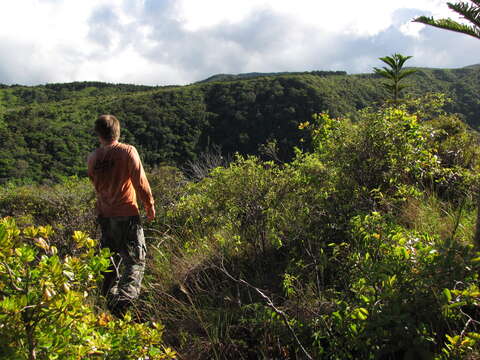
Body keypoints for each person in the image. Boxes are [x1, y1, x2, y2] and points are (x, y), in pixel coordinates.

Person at [87, 114, 155, 316]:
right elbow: (140, 181)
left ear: (99, 134)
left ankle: (108, 302)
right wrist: (149, 205)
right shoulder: (127, 152)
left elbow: (96, 184)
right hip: (126, 214)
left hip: (105, 216)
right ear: (118, 131)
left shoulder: (92, 159)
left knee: (111, 261)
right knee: (135, 261)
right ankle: (124, 303)